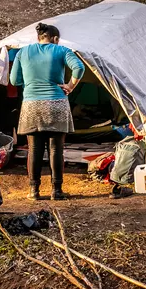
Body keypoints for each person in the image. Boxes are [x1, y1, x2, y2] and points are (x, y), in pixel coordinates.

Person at [9, 22, 85, 200]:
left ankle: (34, 191)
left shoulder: (23, 52)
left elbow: (14, 80)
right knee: (56, 149)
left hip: (31, 105)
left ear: (38, 38)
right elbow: (79, 68)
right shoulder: (62, 51)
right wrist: (70, 86)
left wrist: (29, 81)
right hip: (56, 103)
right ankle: (56, 191)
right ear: (55, 38)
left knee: (34, 149)